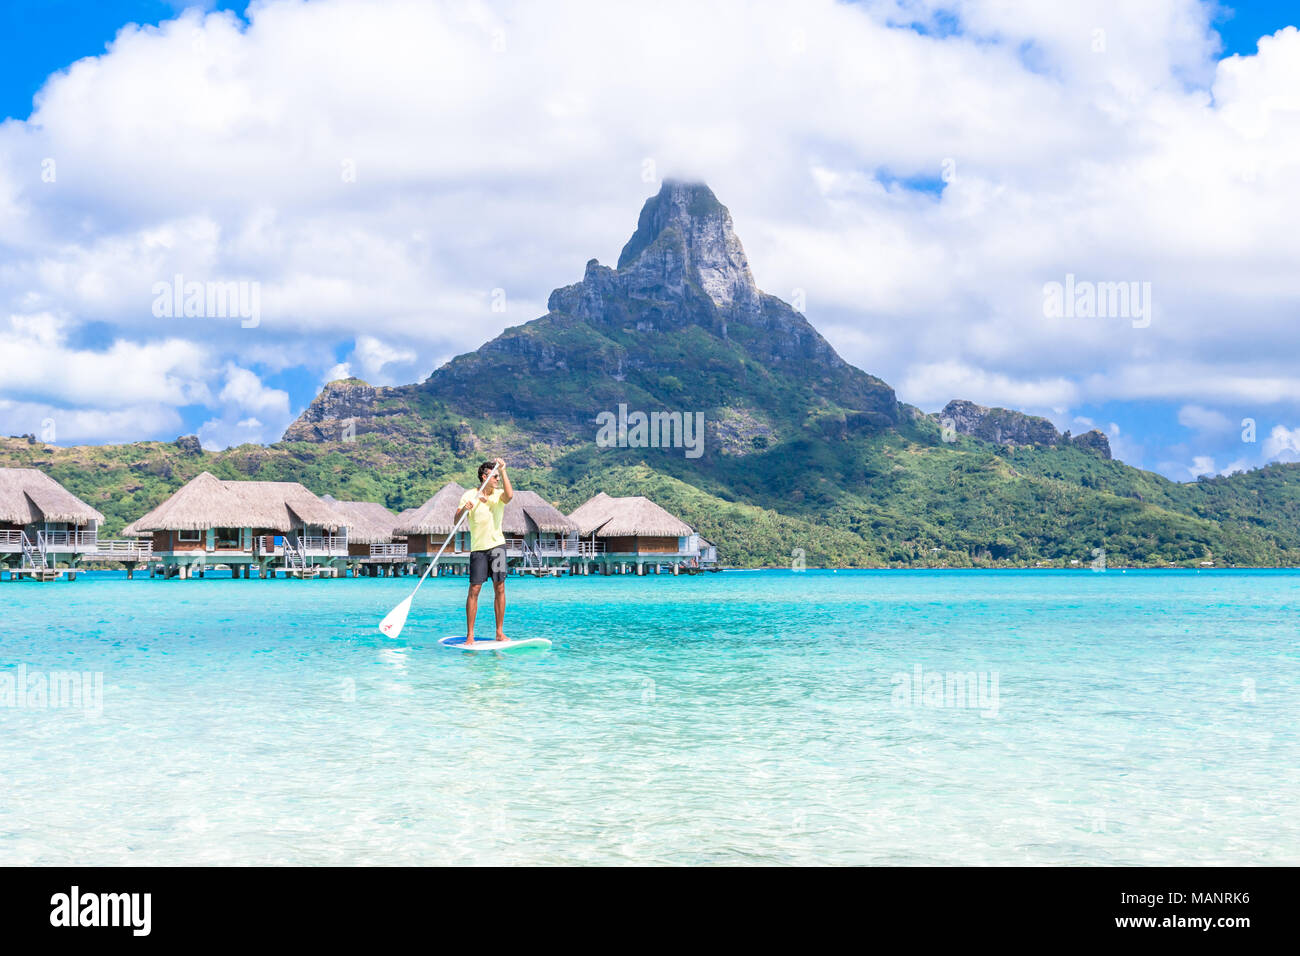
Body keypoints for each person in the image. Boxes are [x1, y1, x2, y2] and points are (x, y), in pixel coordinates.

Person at [454, 458, 513, 644]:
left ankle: (499, 632)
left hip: (497, 546)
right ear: (484, 476)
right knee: (475, 589)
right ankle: (470, 635)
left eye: (497, 476)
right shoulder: (469, 495)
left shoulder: (498, 495)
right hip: (478, 549)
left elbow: (510, 496)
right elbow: (456, 521)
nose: (497, 480)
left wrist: (503, 470)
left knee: (500, 587)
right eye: (495, 476)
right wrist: (465, 508)